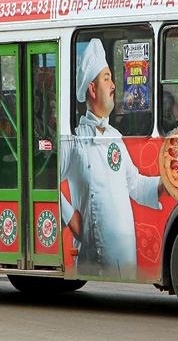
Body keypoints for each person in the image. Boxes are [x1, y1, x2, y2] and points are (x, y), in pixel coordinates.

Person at [60, 38, 165, 278]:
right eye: (106, 78)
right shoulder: (75, 139)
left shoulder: (115, 136)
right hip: (96, 256)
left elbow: (134, 183)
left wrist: (164, 184)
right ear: (93, 89)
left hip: (125, 252)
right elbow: (42, 181)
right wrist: (70, 216)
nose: (114, 85)